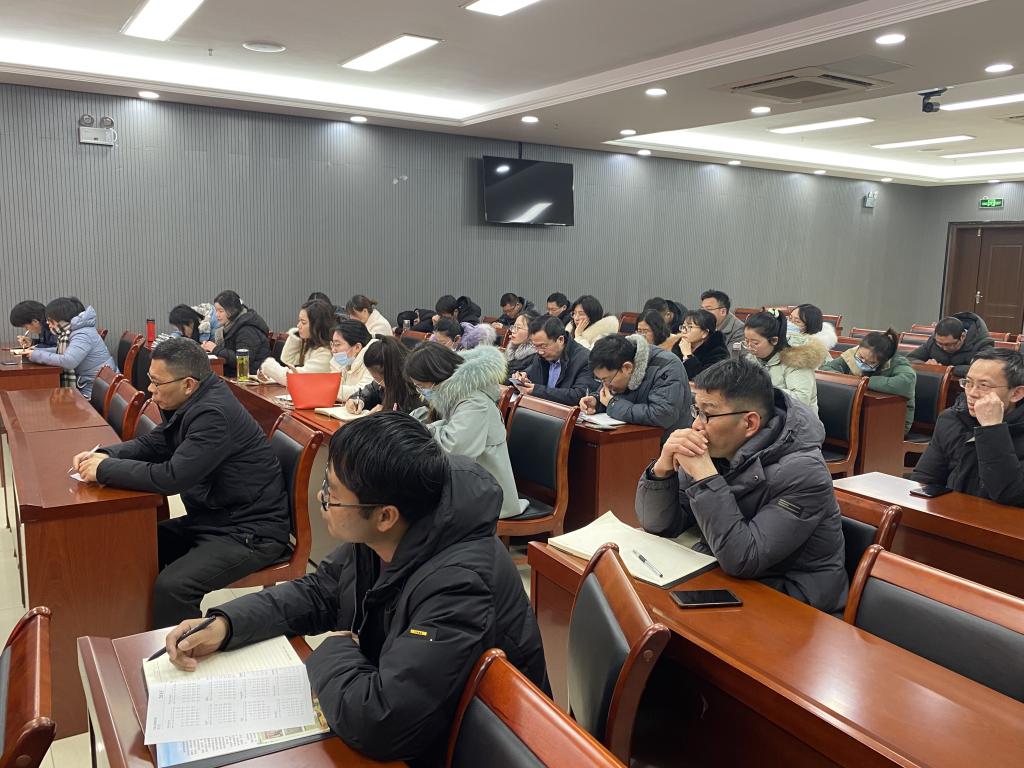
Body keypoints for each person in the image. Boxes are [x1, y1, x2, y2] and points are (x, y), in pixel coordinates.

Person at [159, 413, 546, 765]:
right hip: (414, 716)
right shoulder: (392, 531)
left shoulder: (460, 585)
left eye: (332, 494)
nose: (320, 498)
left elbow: (381, 723)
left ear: (384, 516)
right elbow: (320, 591)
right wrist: (227, 624)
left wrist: (334, 650)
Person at [72, 338, 290, 626]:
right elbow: (156, 442)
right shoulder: (196, 397)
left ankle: (180, 649)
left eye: (157, 383)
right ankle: (134, 629)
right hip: (215, 518)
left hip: (250, 532)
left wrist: (105, 470)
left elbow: (172, 477)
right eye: (150, 380)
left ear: (188, 384)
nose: (150, 389)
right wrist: (104, 455)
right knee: (133, 544)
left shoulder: (213, 414)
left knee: (173, 588)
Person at [636, 358, 847, 613]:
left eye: (707, 414)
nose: (696, 425)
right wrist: (661, 471)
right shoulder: (719, 449)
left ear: (749, 423)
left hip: (794, 600)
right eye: (696, 411)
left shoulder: (804, 473)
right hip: (729, 574)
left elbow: (745, 558)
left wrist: (706, 479)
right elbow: (660, 525)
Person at [405, 343, 522, 519]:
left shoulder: (474, 402)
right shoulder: (453, 394)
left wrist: (421, 429)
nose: (420, 390)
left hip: (486, 492)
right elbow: (438, 422)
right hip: (465, 482)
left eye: (420, 385)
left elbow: (454, 449)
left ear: (436, 377)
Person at [911, 348, 1024, 505]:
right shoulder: (952, 418)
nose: (972, 393)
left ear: (1016, 393)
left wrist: (992, 429)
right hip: (953, 512)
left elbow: (1011, 495)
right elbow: (925, 478)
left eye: (984, 386)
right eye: (968, 383)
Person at [579, 333, 692, 440]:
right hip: (632, 439)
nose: (605, 386)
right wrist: (597, 401)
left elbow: (663, 415)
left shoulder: (667, 366)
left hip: (666, 443)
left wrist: (613, 404)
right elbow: (611, 398)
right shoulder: (616, 363)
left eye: (606, 380)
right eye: (600, 380)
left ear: (627, 367)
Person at [822, 330, 917, 433]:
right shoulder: (853, 354)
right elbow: (827, 369)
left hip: (892, 422)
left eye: (871, 362)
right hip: (858, 414)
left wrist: (864, 382)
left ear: (883, 361)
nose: (863, 362)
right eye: (861, 357)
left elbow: (906, 382)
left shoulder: (897, 363)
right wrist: (851, 381)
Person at [25, 299, 116, 398]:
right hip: (91, 384)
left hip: (95, 390)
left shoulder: (82, 335)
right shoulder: (75, 331)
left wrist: (37, 355)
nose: (48, 324)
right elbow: (63, 351)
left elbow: (69, 361)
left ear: (63, 320)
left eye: (51, 321)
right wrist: (36, 351)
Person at [743, 311, 822, 414]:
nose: (749, 347)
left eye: (755, 343)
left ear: (774, 340)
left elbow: (801, 399)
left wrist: (763, 391)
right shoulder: (752, 358)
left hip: (797, 419)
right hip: (764, 414)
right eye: (746, 341)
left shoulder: (797, 360)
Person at [513, 315, 592, 406]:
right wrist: (522, 378)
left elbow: (579, 395)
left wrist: (538, 391)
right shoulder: (542, 356)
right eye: (536, 346)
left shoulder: (585, 359)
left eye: (543, 346)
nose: (540, 352)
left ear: (561, 340)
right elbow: (531, 375)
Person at [259, 299, 335, 385]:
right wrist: (296, 336)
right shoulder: (311, 345)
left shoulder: (325, 353)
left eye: (303, 322)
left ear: (317, 325)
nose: (298, 326)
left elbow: (296, 379)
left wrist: (269, 366)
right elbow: (288, 360)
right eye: (299, 321)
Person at [201, 291, 272, 377]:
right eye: (216, 311)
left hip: (250, 376)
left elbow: (243, 361)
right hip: (238, 374)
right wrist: (208, 346)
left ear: (232, 311)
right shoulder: (231, 326)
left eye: (221, 311)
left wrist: (215, 349)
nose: (217, 315)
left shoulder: (247, 330)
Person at [345, 336, 421, 415]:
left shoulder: (417, 389)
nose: (377, 383)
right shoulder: (384, 382)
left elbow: (414, 418)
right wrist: (359, 400)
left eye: (377, 378)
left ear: (392, 374)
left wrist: (386, 413)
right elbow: (369, 390)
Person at [907, 313, 995, 376]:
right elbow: (909, 359)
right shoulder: (933, 341)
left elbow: (985, 369)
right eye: (940, 344)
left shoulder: (982, 343)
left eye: (948, 344)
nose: (944, 348)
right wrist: (926, 365)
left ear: (962, 336)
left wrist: (947, 369)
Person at [675, 309, 729, 378]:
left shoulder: (718, 353)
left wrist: (688, 355)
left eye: (689, 327)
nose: (683, 331)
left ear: (704, 333)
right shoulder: (677, 345)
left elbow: (703, 379)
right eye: (683, 326)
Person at [332, 319, 378, 400]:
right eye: (332, 344)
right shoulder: (347, 359)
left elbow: (362, 392)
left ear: (357, 347)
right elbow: (333, 383)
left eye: (337, 344)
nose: (333, 350)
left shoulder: (374, 358)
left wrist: (327, 390)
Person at [412, 294, 482, 332]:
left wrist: (438, 327)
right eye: (441, 317)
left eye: (445, 317)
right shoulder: (453, 315)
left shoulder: (469, 321)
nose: (443, 320)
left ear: (455, 311)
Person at [503, 310, 538, 375]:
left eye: (518, 328)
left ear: (532, 332)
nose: (513, 331)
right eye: (514, 327)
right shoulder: (511, 351)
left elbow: (519, 378)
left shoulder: (536, 357)